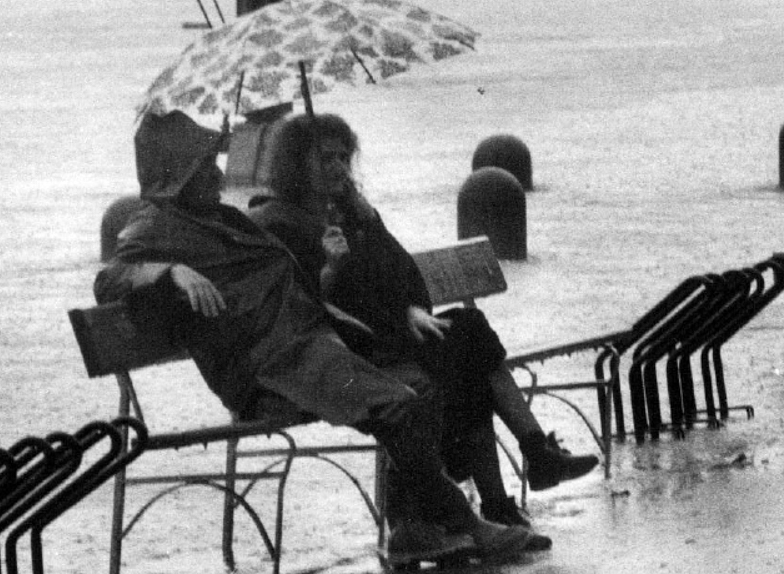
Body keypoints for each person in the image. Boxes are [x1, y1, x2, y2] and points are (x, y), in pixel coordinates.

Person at [95, 109, 534, 565]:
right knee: (400, 404)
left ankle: (415, 529)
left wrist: (341, 251)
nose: (218, 175)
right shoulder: (154, 227)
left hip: (305, 345)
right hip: (267, 369)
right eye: (205, 168)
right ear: (177, 177)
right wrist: (171, 271)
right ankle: (463, 525)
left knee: (418, 390)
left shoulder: (222, 218)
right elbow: (110, 280)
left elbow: (303, 277)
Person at [247, 113, 598, 545]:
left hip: (387, 334)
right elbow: (299, 309)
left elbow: (402, 270)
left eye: (343, 157)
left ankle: (522, 472)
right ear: (297, 163)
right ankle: (511, 485)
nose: (339, 167)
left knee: (466, 334)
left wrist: (410, 306)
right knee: (465, 348)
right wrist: (329, 268)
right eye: (326, 158)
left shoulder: (349, 212)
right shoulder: (275, 223)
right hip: (346, 352)